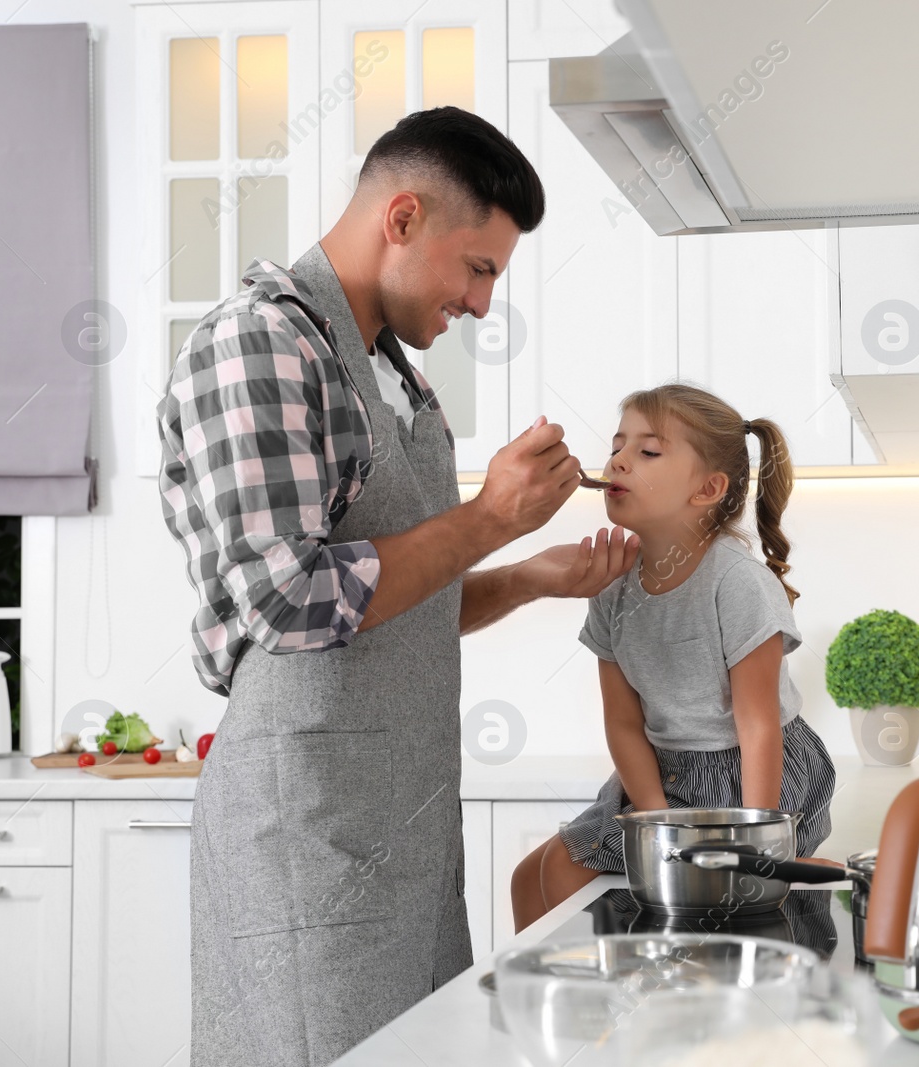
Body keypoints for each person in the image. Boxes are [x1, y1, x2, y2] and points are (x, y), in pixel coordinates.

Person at [157, 107, 639, 1067]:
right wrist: (491, 517)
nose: (482, 303)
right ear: (405, 217)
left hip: (408, 830)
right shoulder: (256, 345)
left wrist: (533, 575)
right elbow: (292, 601)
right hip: (311, 835)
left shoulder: (397, 380)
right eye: (480, 268)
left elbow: (388, 607)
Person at [510, 384, 836, 930]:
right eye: (617, 446)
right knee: (529, 876)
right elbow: (623, 721)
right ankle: (554, 1011)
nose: (617, 460)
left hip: (743, 776)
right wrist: (654, 818)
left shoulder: (736, 583)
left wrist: (762, 850)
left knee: (565, 873)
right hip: (660, 772)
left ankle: (615, 1001)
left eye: (648, 451)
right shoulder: (611, 587)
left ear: (707, 489)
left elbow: (758, 726)